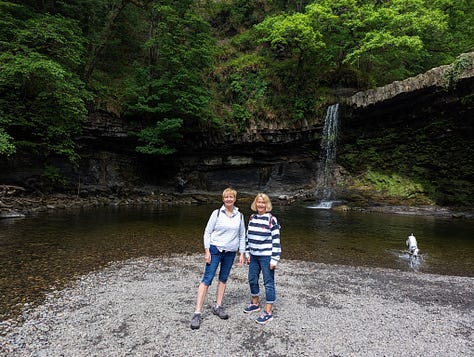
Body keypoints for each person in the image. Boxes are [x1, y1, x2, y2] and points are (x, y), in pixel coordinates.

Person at [190, 187, 246, 330]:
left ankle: (218, 306)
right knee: (207, 279)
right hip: (215, 250)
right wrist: (207, 251)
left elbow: (241, 235)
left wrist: (242, 253)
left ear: (235, 198)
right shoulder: (216, 213)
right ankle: (197, 313)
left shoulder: (239, 216)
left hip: (230, 252)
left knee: (223, 279)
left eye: (231, 197)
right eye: (226, 197)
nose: (229, 199)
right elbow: (207, 233)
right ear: (223, 199)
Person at [243, 193, 281, 324]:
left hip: (266, 257)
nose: (260, 204)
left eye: (263, 202)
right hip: (253, 256)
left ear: (267, 204)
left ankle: (268, 312)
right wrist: (247, 253)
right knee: (252, 279)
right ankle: (255, 304)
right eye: (258, 202)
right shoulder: (252, 217)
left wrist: (274, 259)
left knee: (268, 283)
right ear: (255, 203)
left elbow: (276, 241)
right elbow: (248, 237)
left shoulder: (272, 220)